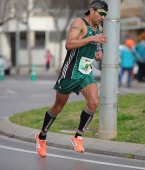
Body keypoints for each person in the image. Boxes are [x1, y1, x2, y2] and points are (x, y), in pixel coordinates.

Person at [35, 0, 108, 157]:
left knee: (94, 102)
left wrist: (99, 51)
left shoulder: (99, 29)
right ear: (92, 10)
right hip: (71, 71)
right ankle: (41, 137)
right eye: (101, 13)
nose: (102, 17)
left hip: (85, 72)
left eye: (105, 15)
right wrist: (91, 39)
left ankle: (78, 136)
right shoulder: (78, 23)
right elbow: (69, 44)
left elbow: (98, 44)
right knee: (58, 107)